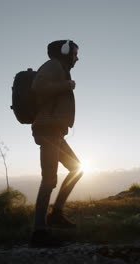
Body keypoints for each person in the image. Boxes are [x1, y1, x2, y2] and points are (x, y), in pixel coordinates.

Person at [29, 40, 83, 248]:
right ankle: (39, 232)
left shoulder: (60, 68)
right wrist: (66, 85)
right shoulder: (53, 65)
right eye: (75, 53)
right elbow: (38, 86)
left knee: (76, 168)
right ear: (65, 52)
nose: (77, 58)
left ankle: (57, 214)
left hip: (55, 132)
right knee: (49, 180)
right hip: (47, 130)